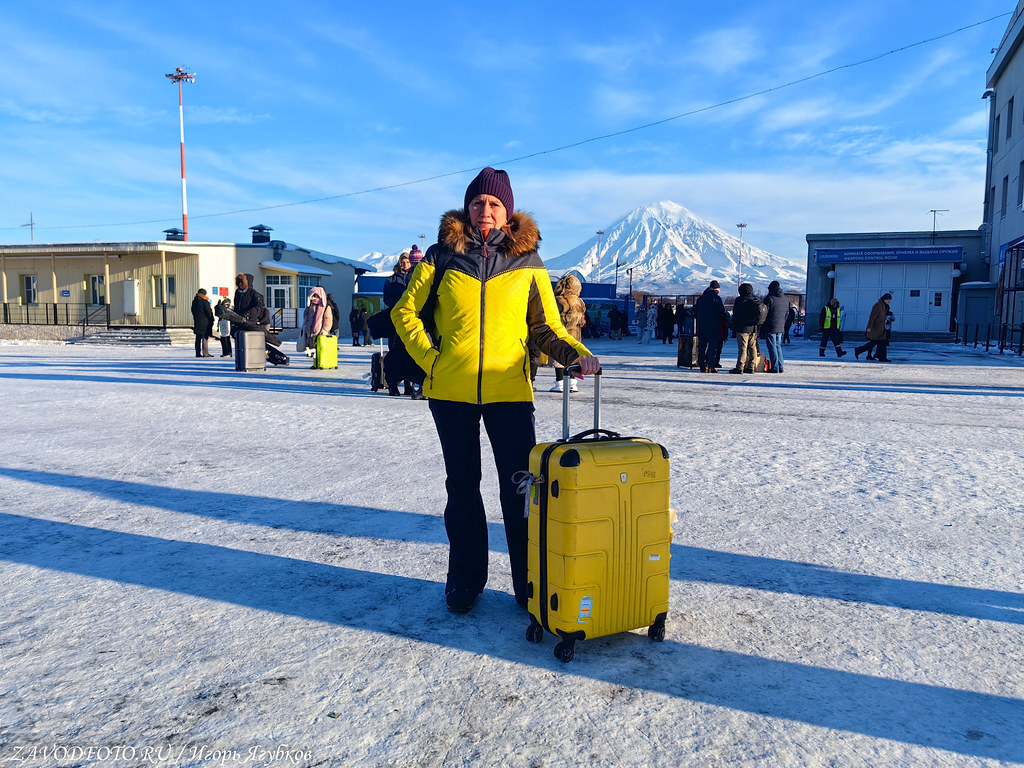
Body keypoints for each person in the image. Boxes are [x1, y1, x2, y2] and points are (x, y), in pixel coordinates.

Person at [391, 166, 600, 615]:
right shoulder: (440, 256)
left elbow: (546, 326)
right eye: (477, 202)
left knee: (520, 489)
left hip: (509, 393)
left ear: (508, 213)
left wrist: (575, 354)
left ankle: (530, 582)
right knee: (462, 487)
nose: (484, 211)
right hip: (451, 393)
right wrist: (433, 360)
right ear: (467, 208)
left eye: (494, 204)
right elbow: (405, 313)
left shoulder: (528, 263)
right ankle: (465, 581)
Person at [383, 251, 425, 398]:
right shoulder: (392, 280)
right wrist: (399, 304)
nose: (406, 264)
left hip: (414, 320)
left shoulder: (417, 276)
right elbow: (387, 299)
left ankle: (409, 385)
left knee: (412, 354)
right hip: (397, 320)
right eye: (404, 262)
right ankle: (393, 385)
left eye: (408, 262)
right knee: (396, 353)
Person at [549, 274, 586, 393]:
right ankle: (572, 382)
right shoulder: (579, 302)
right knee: (573, 356)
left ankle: (560, 382)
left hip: (561, 333)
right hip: (575, 334)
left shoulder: (559, 300)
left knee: (558, 357)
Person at [729, 283, 764, 373]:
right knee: (753, 348)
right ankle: (751, 367)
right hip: (753, 328)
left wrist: (734, 325)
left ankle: (740, 367)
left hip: (742, 328)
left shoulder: (740, 300)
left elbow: (736, 314)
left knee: (742, 349)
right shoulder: (755, 300)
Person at [695, 280, 728, 372]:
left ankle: (702, 365)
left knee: (702, 347)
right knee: (713, 347)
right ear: (716, 289)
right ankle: (711, 365)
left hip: (701, 326)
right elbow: (721, 312)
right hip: (713, 326)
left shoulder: (701, 299)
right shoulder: (717, 299)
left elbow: (695, 312)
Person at [297, 286, 334, 365]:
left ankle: (320, 363)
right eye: (312, 296)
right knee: (311, 349)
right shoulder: (310, 306)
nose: (314, 298)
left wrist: (325, 329)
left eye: (315, 296)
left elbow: (328, 319)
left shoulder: (326, 307)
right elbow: (305, 315)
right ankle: (315, 363)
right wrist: (306, 325)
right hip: (310, 331)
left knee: (319, 349)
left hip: (319, 332)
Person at [855, 293, 892, 362]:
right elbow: (872, 316)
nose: (889, 301)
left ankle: (881, 357)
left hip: (881, 327)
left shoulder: (884, 305)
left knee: (882, 342)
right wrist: (869, 327)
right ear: (884, 299)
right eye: (888, 299)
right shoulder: (878, 305)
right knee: (875, 342)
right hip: (876, 328)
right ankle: (859, 350)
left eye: (890, 300)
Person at [762, 281, 788, 373]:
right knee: (778, 346)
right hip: (780, 326)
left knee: (772, 346)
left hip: (770, 326)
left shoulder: (769, 298)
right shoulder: (785, 299)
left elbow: (764, 313)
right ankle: (780, 366)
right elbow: (787, 314)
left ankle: (775, 367)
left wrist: (762, 324)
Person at [191, 289, 214, 358]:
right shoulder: (204, 302)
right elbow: (208, 312)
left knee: (198, 338)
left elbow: (192, 311)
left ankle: (197, 353)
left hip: (197, 321)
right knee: (205, 337)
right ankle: (205, 353)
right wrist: (211, 319)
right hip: (205, 322)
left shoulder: (194, 301)